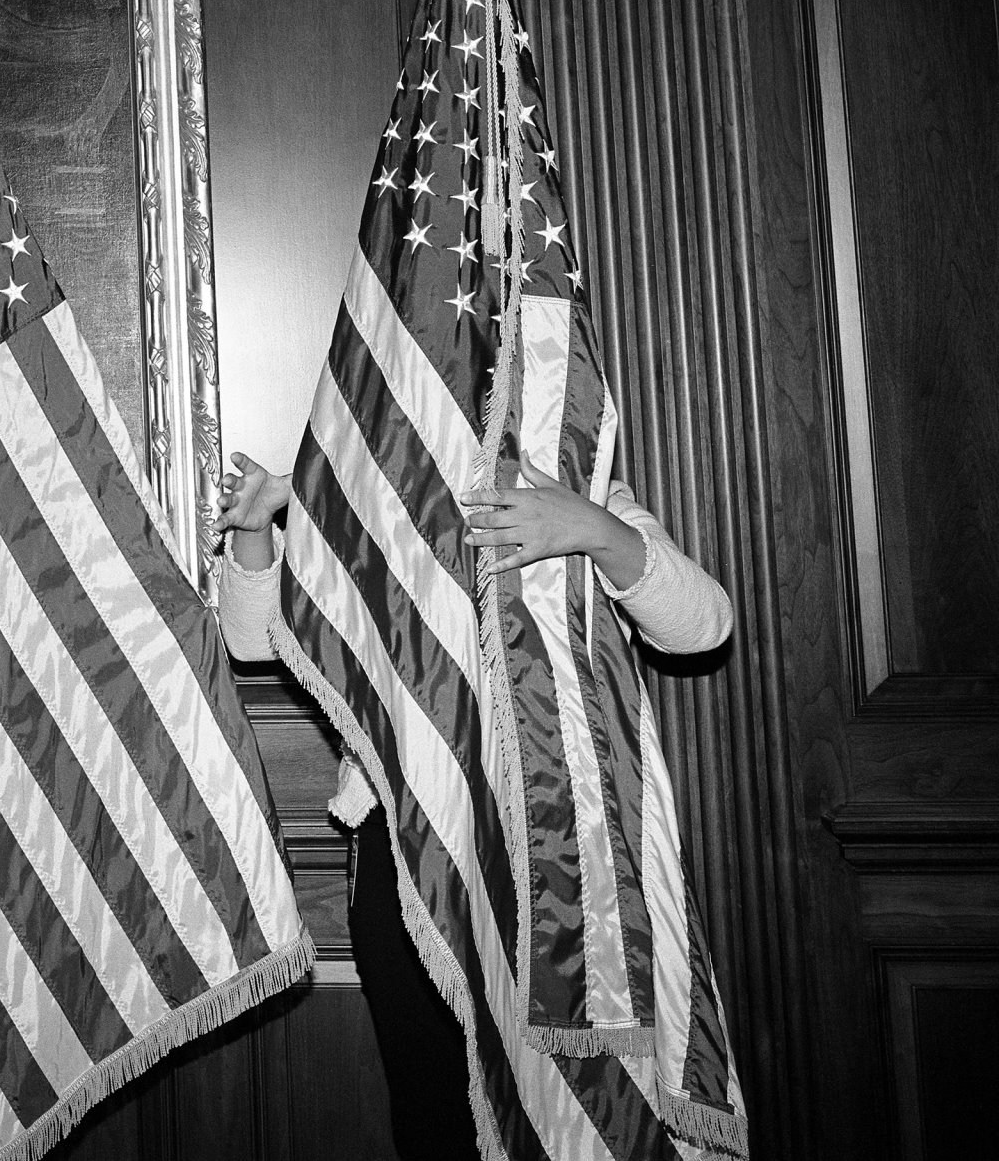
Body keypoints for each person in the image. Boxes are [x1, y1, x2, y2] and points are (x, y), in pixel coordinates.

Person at [214, 446, 732, 1161]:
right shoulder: (372, 471)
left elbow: (704, 623)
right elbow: (251, 637)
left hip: (552, 867)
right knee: (437, 1122)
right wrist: (265, 520)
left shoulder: (572, 476)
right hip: (403, 870)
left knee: (564, 1117)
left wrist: (589, 525)